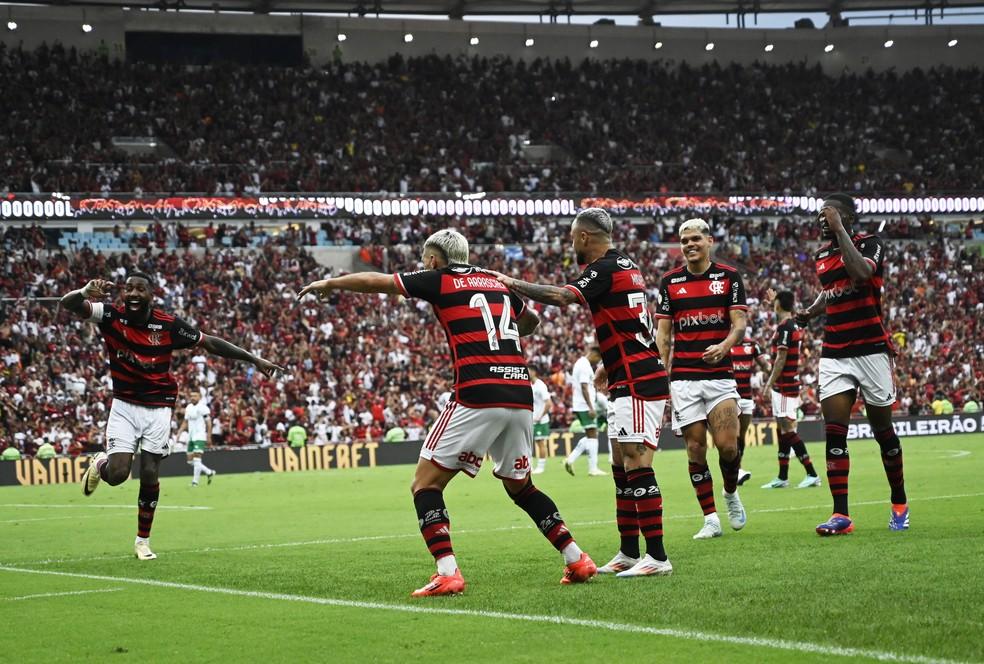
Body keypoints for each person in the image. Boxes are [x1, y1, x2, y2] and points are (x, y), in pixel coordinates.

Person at [298, 229, 596, 596]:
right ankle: (576, 558)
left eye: (425, 260)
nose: (423, 265)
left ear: (435, 260)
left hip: (477, 391)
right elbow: (531, 322)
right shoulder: (494, 280)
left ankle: (448, 572)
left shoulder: (440, 280)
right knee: (521, 487)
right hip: (519, 392)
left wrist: (331, 281)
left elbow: (378, 281)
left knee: (425, 484)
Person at [495, 208, 672, 578]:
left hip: (638, 378)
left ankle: (656, 556)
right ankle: (628, 551)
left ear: (584, 237)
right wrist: (609, 362)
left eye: (572, 236)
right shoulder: (626, 265)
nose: (570, 243)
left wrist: (510, 282)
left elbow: (562, 297)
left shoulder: (605, 267)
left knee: (637, 464)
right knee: (621, 468)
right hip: (628, 373)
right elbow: (628, 321)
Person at [65, 272, 282, 560]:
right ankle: (100, 463)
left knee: (150, 473)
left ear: (150, 296)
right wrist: (84, 291)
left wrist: (253, 358)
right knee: (117, 476)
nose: (132, 293)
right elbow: (68, 304)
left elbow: (210, 342)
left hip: (158, 408)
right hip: (125, 406)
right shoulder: (110, 316)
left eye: (139, 289)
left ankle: (142, 541)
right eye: (128, 288)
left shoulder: (168, 325)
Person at [795, 193, 908, 535]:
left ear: (844, 217)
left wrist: (839, 228)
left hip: (872, 348)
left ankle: (899, 502)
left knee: (883, 433)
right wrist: (811, 311)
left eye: (827, 213)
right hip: (835, 352)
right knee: (834, 431)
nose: (820, 219)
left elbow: (859, 273)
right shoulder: (821, 255)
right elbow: (831, 290)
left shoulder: (870, 243)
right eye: (819, 215)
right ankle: (841, 514)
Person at [654, 218, 748, 541]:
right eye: (684, 241)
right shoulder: (669, 282)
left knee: (728, 447)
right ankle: (710, 519)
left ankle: (731, 492)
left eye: (696, 239)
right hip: (684, 378)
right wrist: (658, 374)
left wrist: (724, 347)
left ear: (709, 241)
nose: (690, 245)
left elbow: (739, 324)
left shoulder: (729, 278)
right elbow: (663, 334)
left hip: (720, 375)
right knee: (695, 449)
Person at [760, 289, 821, 489]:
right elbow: (785, 311)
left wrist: (768, 383)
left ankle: (812, 473)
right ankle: (782, 476)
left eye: (775, 302)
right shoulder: (789, 323)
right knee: (782, 429)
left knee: (787, 427)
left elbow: (781, 359)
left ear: (779, 304)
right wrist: (774, 303)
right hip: (783, 385)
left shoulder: (786, 327)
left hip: (785, 385)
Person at [729, 329, 769, 486]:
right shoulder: (725, 343)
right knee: (734, 434)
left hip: (747, 397)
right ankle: (736, 470)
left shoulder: (752, 345)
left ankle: (737, 469)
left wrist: (772, 376)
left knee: (741, 436)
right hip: (730, 395)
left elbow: (765, 365)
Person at [563, 346, 606, 477]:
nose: (597, 362)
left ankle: (570, 460)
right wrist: (591, 407)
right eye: (598, 358)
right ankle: (593, 469)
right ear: (594, 354)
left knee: (590, 435)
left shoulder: (582, 363)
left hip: (582, 405)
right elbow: (584, 386)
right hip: (584, 406)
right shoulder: (584, 365)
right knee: (593, 436)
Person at [176, 391, 216, 487]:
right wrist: (179, 432)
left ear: (200, 397)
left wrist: (209, 436)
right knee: (190, 461)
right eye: (191, 396)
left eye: (195, 396)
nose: (193, 397)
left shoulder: (203, 408)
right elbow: (186, 421)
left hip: (200, 436)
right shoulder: (189, 407)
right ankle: (209, 472)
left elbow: (209, 423)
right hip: (191, 436)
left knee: (197, 458)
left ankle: (195, 482)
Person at [529, 364, 554, 475]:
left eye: (528, 370)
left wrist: (540, 416)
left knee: (540, 442)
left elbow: (548, 403)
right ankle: (529, 466)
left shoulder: (540, 385)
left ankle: (541, 467)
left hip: (540, 420)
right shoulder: (529, 385)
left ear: (534, 372)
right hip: (531, 420)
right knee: (528, 444)